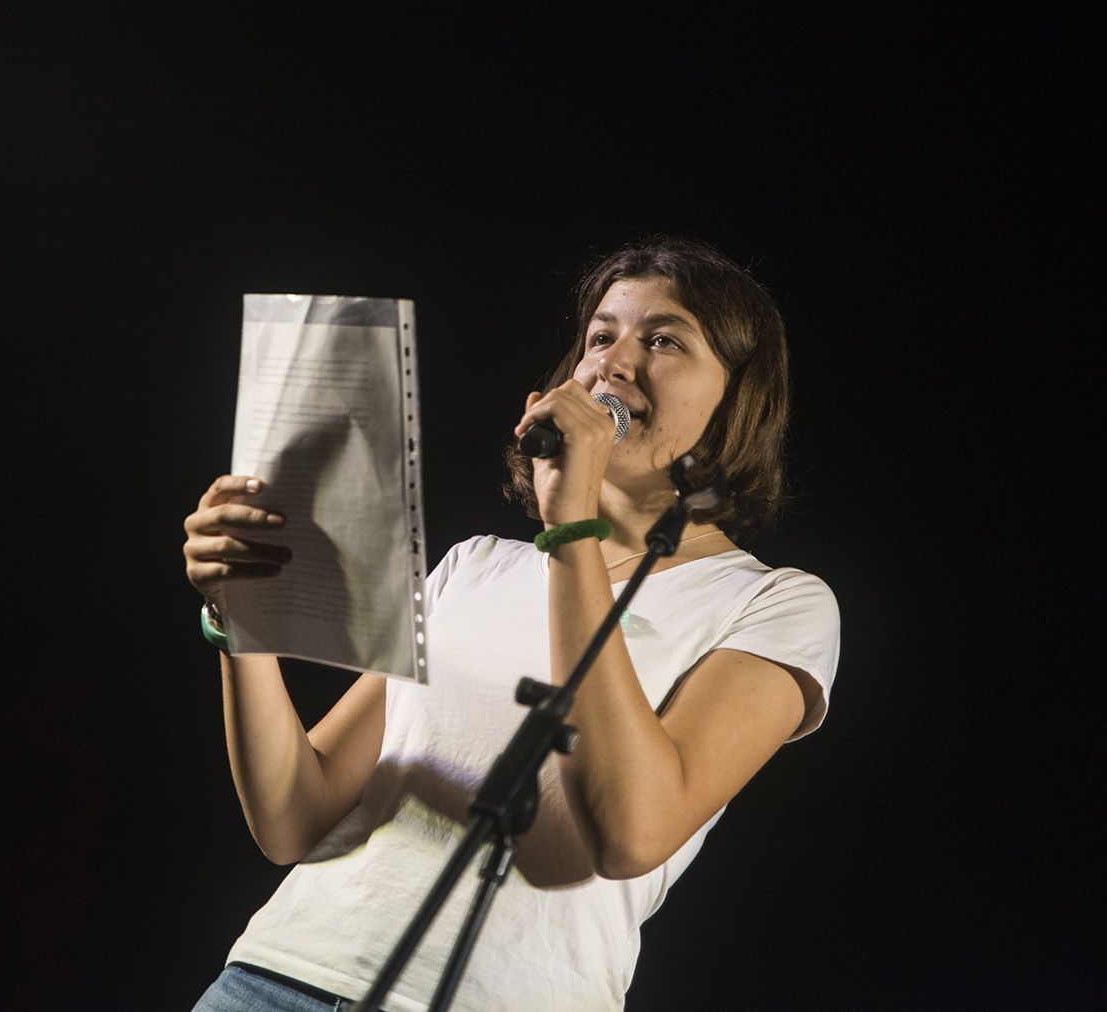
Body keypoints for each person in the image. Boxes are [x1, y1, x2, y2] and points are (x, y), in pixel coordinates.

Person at [183, 236, 840, 1011]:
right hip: (276, 979)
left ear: (740, 397)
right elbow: (295, 818)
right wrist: (240, 619)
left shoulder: (773, 603)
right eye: (600, 336)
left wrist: (571, 526)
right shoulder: (475, 567)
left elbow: (633, 829)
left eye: (663, 340)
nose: (612, 362)